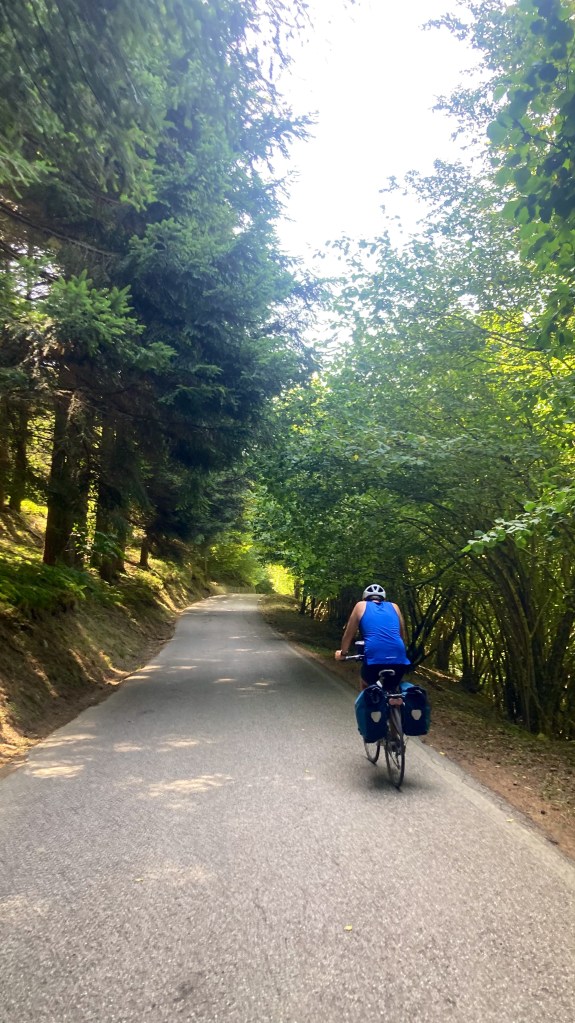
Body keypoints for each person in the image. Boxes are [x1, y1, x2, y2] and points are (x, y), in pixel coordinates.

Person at [335, 583, 410, 690]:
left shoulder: (360, 605)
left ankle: (369, 699)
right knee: (393, 688)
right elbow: (401, 635)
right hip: (399, 656)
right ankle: (395, 699)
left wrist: (343, 653)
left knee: (366, 683)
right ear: (383, 598)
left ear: (365, 598)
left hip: (374, 656)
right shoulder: (394, 606)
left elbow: (348, 634)